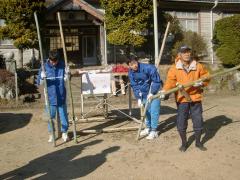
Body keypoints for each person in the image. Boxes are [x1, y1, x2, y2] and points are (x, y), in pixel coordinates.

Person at [162, 45, 210, 151]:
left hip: (195, 98)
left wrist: (202, 82)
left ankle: (198, 142)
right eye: (184, 52)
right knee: (181, 122)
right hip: (182, 98)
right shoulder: (174, 68)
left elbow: (206, 76)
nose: (187, 54)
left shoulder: (198, 66)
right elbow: (170, 82)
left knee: (198, 121)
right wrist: (164, 92)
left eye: (188, 52)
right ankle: (184, 143)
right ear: (179, 54)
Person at [36, 49, 69, 143]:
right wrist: (42, 78)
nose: (53, 63)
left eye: (55, 61)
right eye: (52, 61)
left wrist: (68, 75)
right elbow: (39, 82)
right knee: (50, 117)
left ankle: (64, 132)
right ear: (49, 59)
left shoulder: (63, 65)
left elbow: (68, 78)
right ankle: (51, 134)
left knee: (63, 116)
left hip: (61, 96)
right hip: (50, 97)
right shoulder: (44, 67)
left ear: (58, 59)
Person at [127, 56, 162, 140]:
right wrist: (138, 97)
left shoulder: (149, 68)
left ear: (137, 61)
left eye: (135, 63)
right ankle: (148, 128)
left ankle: (154, 131)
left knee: (154, 111)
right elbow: (134, 86)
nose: (134, 65)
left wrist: (152, 92)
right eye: (132, 64)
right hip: (143, 93)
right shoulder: (131, 73)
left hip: (154, 92)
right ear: (129, 65)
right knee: (146, 112)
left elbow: (157, 81)